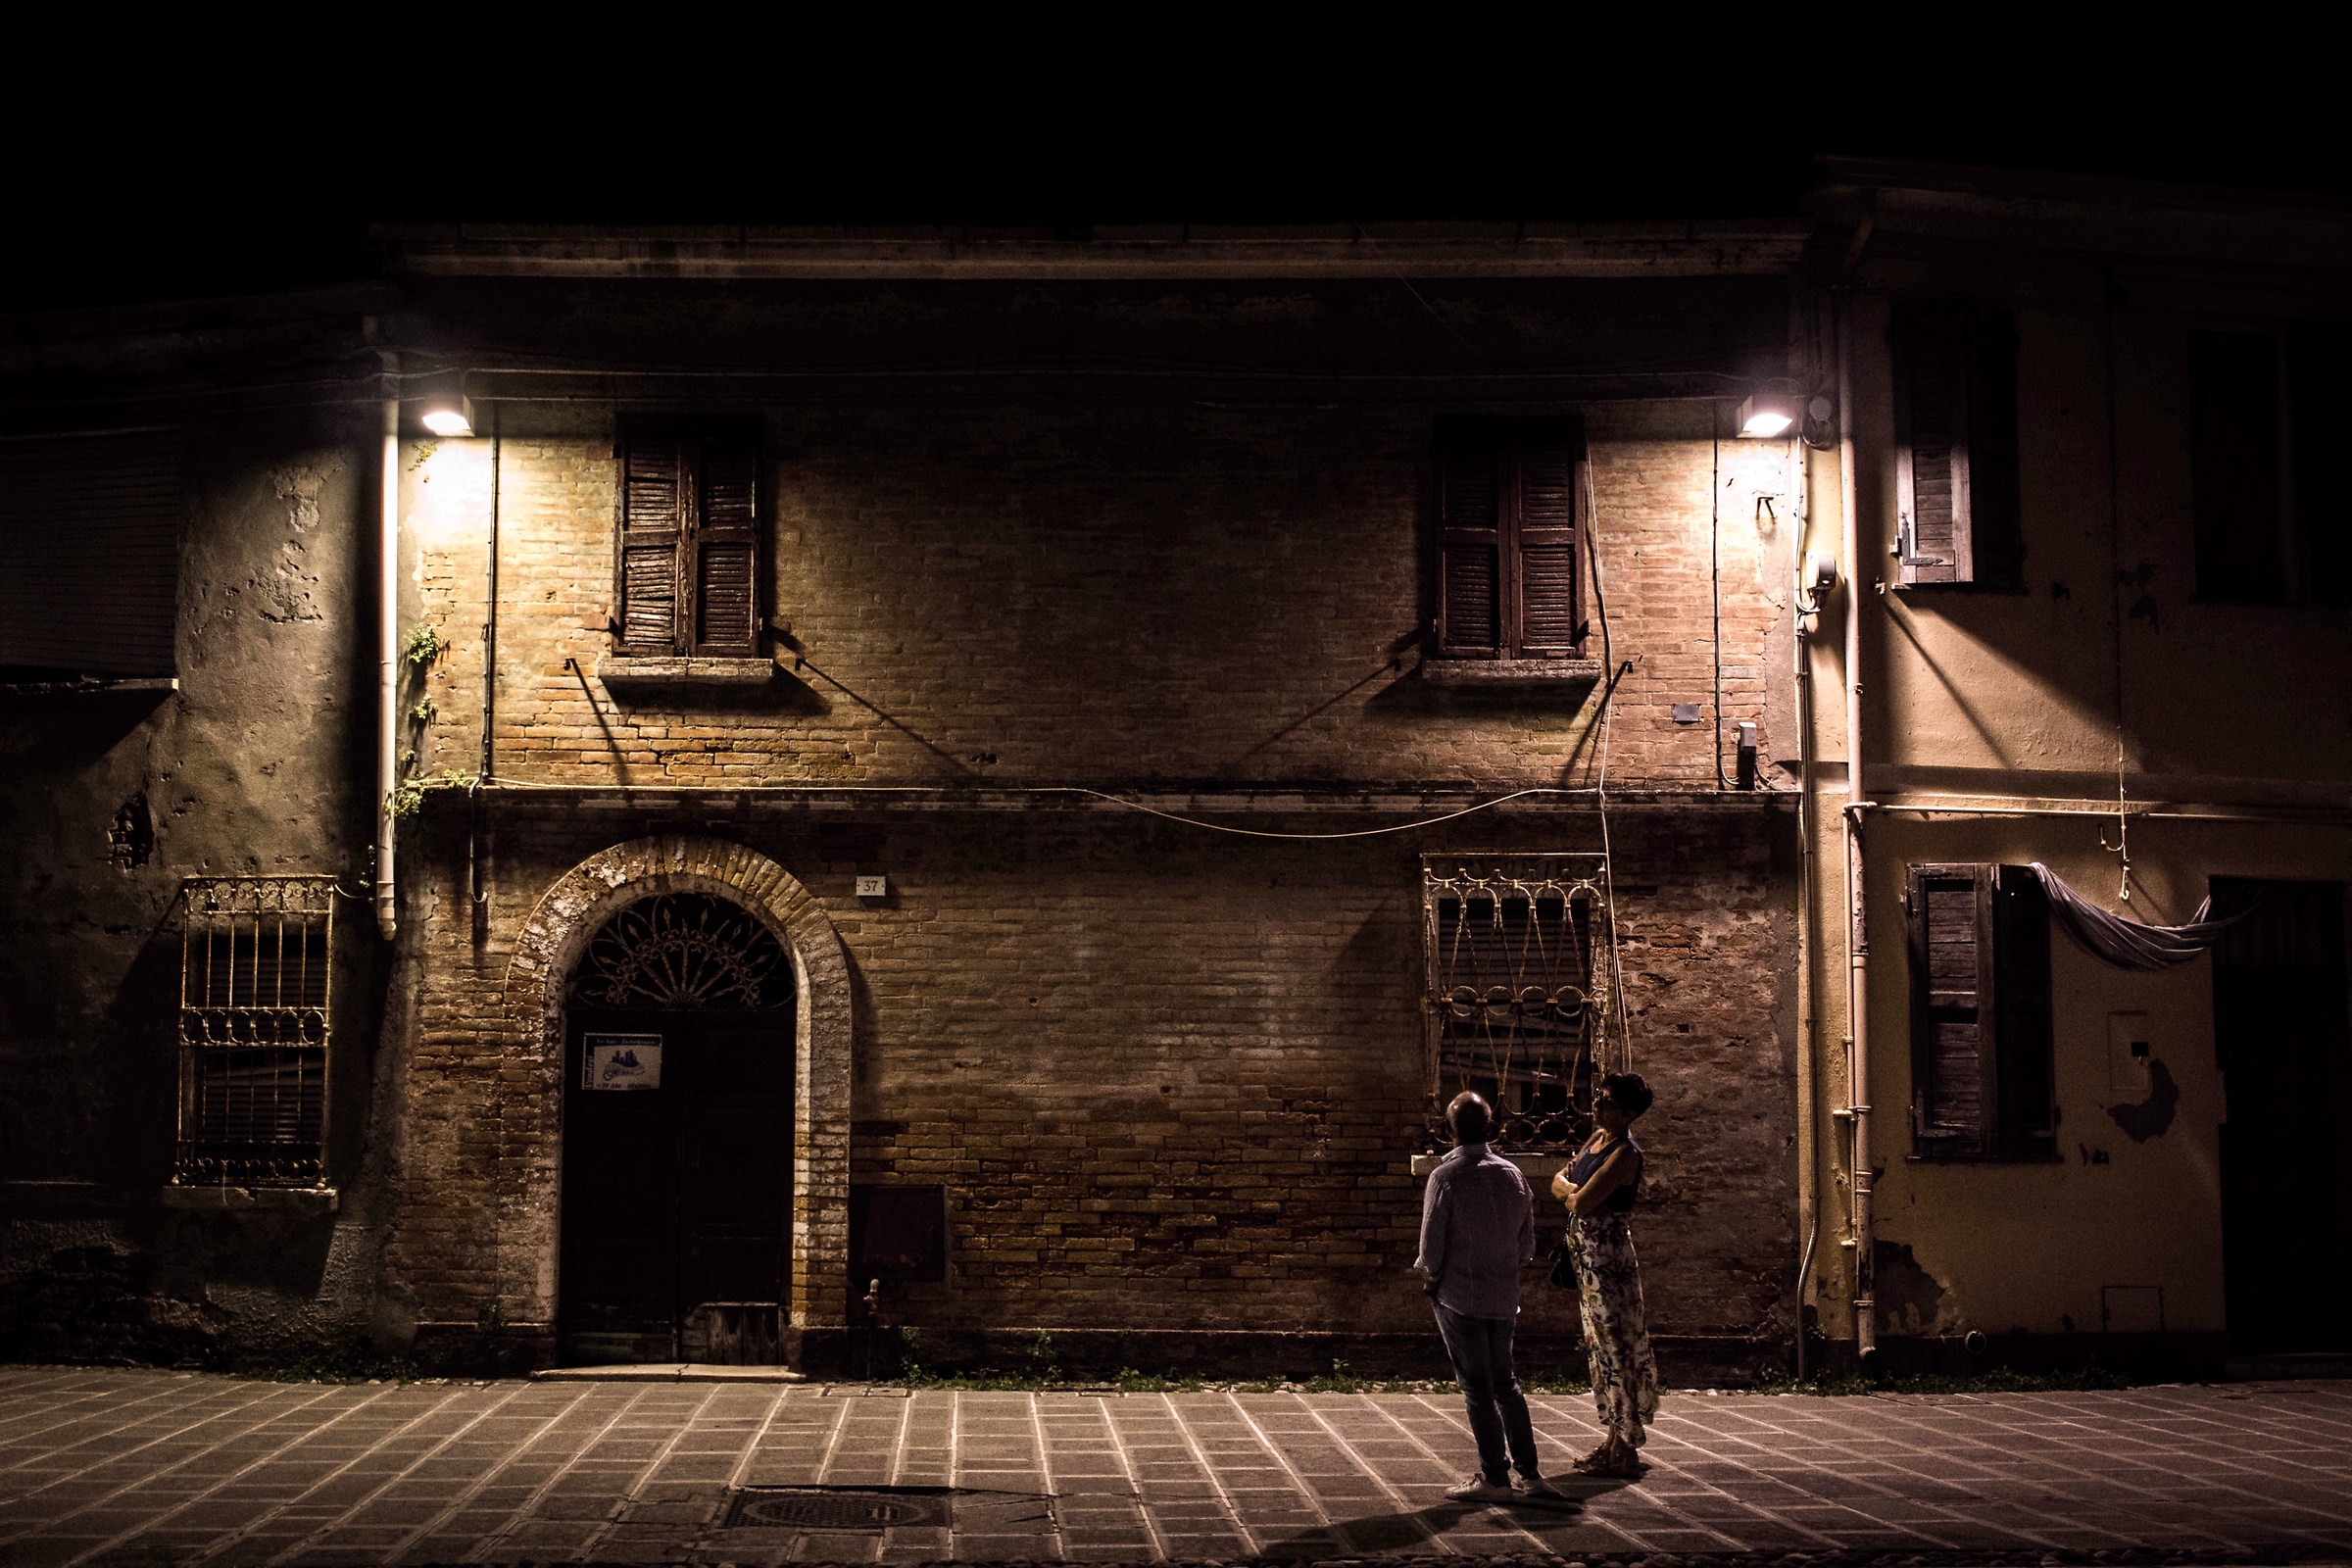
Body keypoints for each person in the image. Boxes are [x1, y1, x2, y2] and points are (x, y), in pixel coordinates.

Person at [1415, 1090, 1568, 1503]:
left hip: (1458, 1297)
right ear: (1491, 1128)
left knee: (1477, 1390)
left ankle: (1495, 1479)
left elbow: (1430, 1251)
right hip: (1502, 1297)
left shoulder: (1445, 1177)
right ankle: (1531, 1477)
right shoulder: (1513, 1175)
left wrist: (1432, 1280)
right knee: (1508, 1385)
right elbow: (1525, 1248)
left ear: (1449, 1131)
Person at [1550, 1071, 1659, 1477]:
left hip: (1609, 1262)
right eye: (1599, 1096)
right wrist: (1569, 1191)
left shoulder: (1625, 1153)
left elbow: (1580, 1200)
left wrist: (1570, 1191)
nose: (1597, 1103)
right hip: (1588, 1260)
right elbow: (1559, 1185)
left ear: (1629, 1113)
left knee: (1618, 1349)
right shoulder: (1596, 1141)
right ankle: (1613, 1441)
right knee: (1600, 1349)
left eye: (1608, 1101)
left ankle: (1624, 1446)